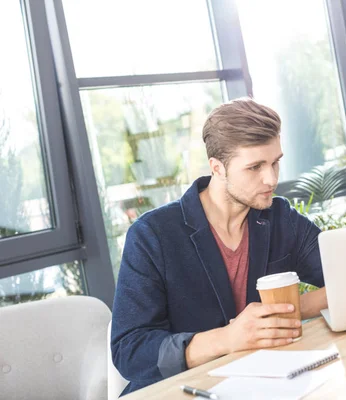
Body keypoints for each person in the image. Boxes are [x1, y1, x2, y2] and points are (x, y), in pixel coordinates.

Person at [111, 98, 328, 395]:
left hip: (265, 385)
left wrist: (286, 312)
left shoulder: (280, 218)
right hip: (179, 391)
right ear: (218, 168)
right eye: (255, 167)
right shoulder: (152, 235)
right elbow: (130, 352)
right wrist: (227, 339)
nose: (272, 178)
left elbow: (345, 279)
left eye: (276, 162)